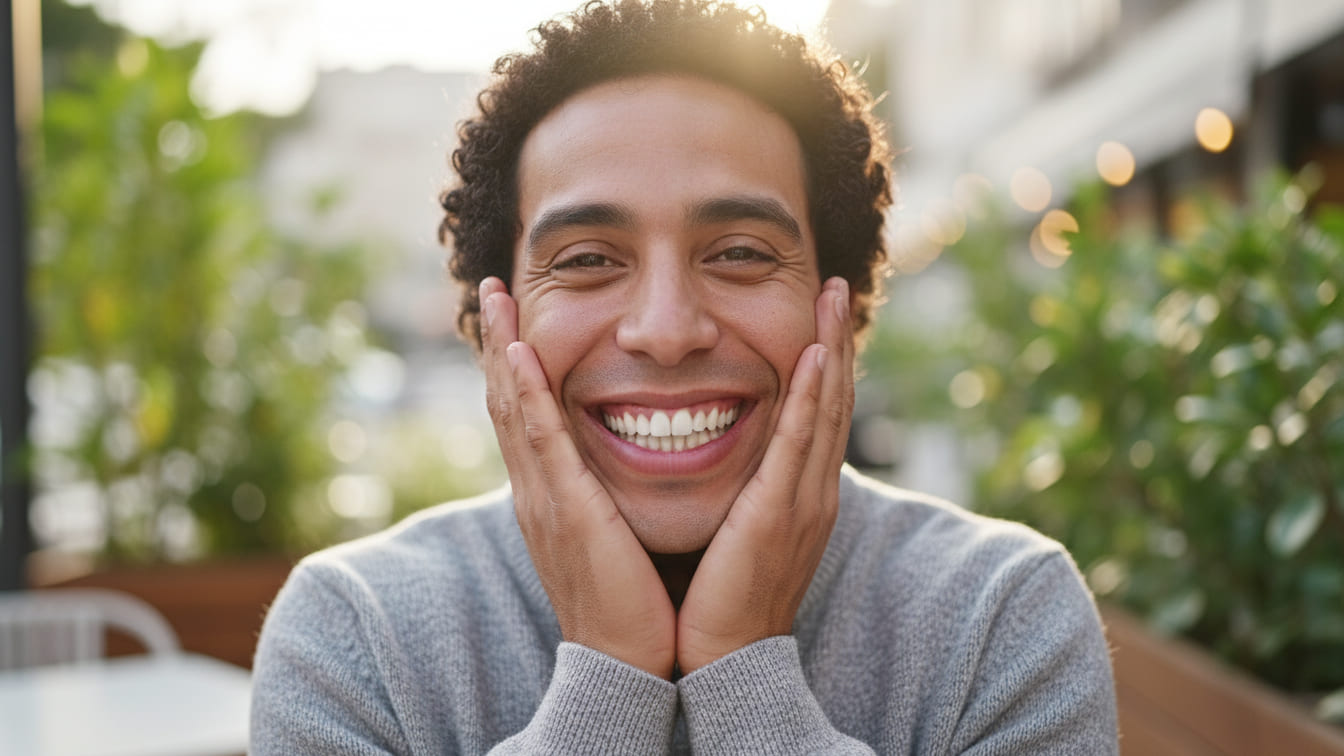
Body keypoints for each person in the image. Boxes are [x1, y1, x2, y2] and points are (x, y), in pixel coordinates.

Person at [249, 1, 1119, 753]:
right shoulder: (356, 634)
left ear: (844, 307)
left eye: (739, 253)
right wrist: (610, 671)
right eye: (587, 259)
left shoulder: (1001, 617)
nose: (666, 331)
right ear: (491, 325)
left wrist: (745, 671)